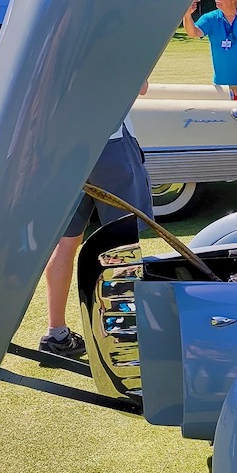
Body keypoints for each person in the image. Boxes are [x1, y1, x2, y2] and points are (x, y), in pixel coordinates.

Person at [40, 80, 155, 357]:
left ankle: (56, 332)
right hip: (111, 145)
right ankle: (123, 332)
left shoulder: (55, 40)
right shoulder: (111, 38)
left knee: (65, 243)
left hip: (66, 148)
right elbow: (140, 86)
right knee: (121, 244)